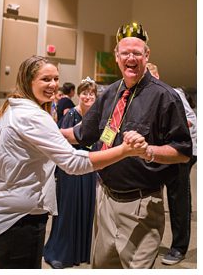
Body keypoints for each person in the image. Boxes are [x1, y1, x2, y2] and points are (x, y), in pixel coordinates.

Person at [0, 55, 148, 269]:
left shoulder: (11, 108)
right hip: (21, 217)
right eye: (45, 79)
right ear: (28, 81)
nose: (53, 85)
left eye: (56, 79)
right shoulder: (34, 116)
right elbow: (74, 162)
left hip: (8, 208)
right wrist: (124, 150)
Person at [59, 22, 192, 269]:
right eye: (125, 53)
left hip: (140, 206)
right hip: (105, 200)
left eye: (137, 53)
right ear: (117, 57)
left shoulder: (165, 96)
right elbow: (81, 134)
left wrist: (149, 152)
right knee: (102, 267)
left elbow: (183, 152)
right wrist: (47, 131)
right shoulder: (110, 93)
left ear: (146, 55)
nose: (131, 58)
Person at [42, 78, 99, 269]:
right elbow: (61, 141)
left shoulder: (98, 117)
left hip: (90, 168)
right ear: (79, 94)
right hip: (71, 169)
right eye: (84, 92)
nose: (88, 96)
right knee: (68, 208)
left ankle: (81, 252)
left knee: (86, 208)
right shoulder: (71, 114)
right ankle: (61, 251)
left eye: (91, 93)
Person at [145, 62, 196, 265]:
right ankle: (150, 242)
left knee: (178, 201)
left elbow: (189, 120)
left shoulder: (172, 93)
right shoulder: (146, 96)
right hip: (158, 154)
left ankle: (179, 247)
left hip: (178, 154)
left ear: (157, 75)